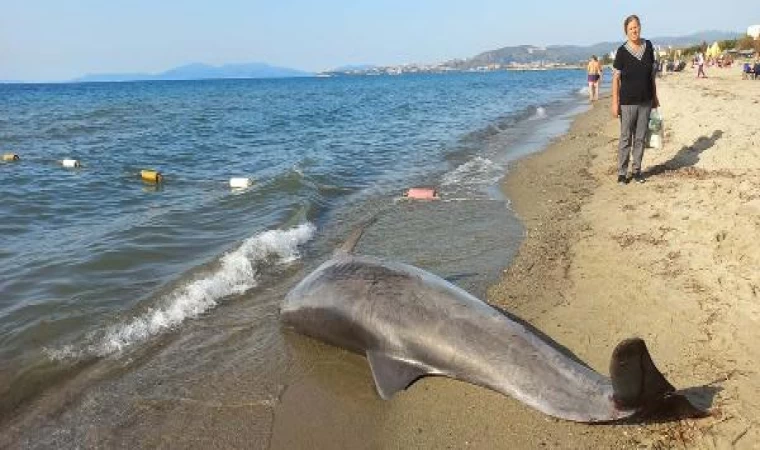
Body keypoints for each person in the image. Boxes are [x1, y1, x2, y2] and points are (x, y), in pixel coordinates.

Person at [611, 14, 659, 185]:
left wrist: (655, 97)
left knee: (640, 137)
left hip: (645, 101)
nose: (634, 30)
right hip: (627, 103)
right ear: (626, 31)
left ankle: (637, 171)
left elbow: (651, 75)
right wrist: (614, 103)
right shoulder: (622, 52)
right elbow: (616, 79)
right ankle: (622, 173)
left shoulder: (649, 46)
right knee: (625, 138)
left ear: (640, 27)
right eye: (631, 28)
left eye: (636, 27)